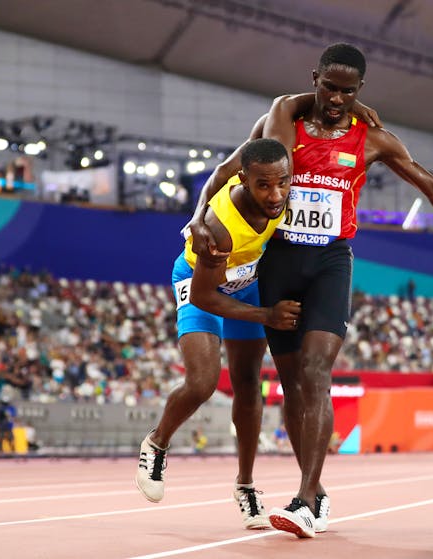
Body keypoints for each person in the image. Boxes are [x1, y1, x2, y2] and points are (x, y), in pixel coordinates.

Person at [189, 43, 433, 538]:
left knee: (316, 372)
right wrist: (198, 218)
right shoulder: (285, 123)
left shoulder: (374, 140)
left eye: (348, 91)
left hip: (330, 262)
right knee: (292, 384)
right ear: (314, 80)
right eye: (329, 88)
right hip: (280, 260)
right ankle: (316, 494)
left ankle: (303, 499)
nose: (337, 99)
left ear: (360, 90)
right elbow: (232, 165)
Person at [134, 138, 300, 530]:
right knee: (203, 382)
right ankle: (156, 443)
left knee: (249, 383)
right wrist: (266, 315)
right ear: (245, 180)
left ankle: (246, 485)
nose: (275, 195)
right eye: (263, 186)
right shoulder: (219, 228)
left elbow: (225, 166)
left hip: (247, 280)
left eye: (282, 183)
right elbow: (205, 297)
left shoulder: (271, 174)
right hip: (200, 282)